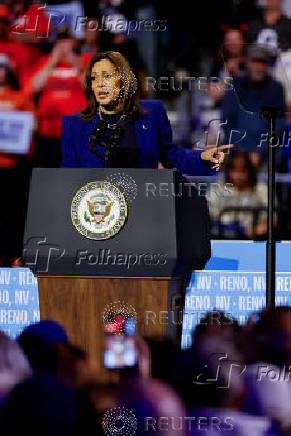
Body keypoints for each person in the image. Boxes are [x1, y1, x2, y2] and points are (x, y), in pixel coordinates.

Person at [61, 51, 232, 172]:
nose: (99, 84)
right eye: (93, 78)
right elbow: (67, 177)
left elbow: (171, 156)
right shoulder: (74, 125)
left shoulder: (151, 113)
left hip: (143, 208)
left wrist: (201, 158)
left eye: (106, 76)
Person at [221, 44, 285, 167]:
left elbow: (278, 125)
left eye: (262, 62)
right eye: (255, 61)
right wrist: (241, 154)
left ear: (267, 65)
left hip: (266, 155)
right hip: (235, 152)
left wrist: (259, 153)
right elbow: (227, 121)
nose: (258, 67)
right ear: (247, 62)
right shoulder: (235, 85)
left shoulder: (276, 88)